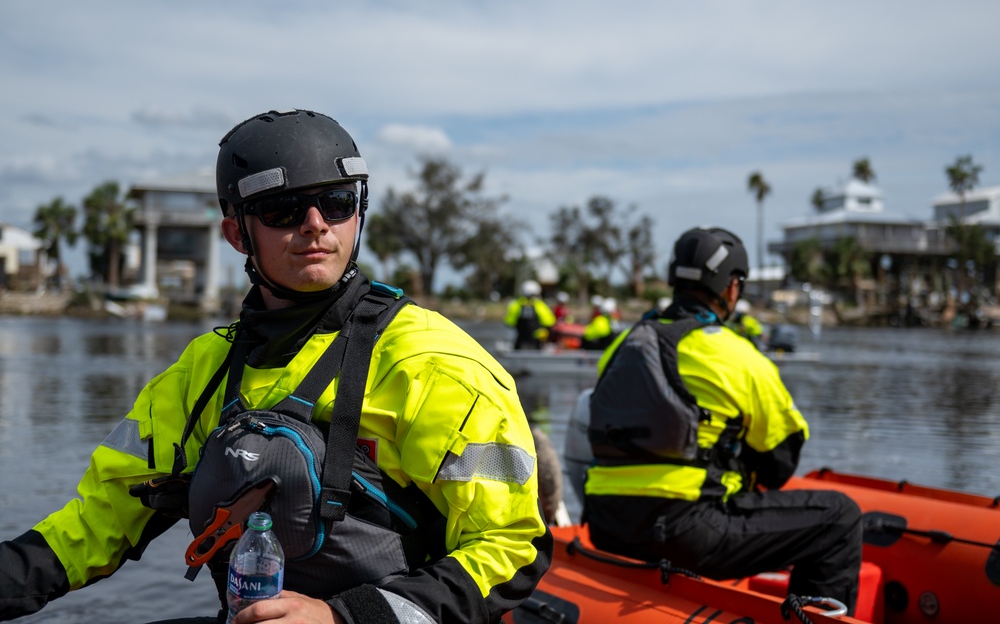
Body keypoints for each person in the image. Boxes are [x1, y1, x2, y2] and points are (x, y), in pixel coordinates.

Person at [0, 109, 552, 624]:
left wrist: (343, 617)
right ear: (237, 233)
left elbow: (512, 546)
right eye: (283, 211)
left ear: (358, 211)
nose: (316, 225)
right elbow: (95, 525)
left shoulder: (431, 362)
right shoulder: (205, 370)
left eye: (336, 202)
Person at [584, 226, 862, 613]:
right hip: (684, 531)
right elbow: (780, 465)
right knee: (840, 518)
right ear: (732, 288)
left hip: (606, 522)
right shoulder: (739, 356)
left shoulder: (621, 344)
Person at [504, 279, 556, 350]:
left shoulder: (515, 305)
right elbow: (550, 322)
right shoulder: (540, 305)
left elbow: (509, 322)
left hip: (521, 339)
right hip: (536, 342)